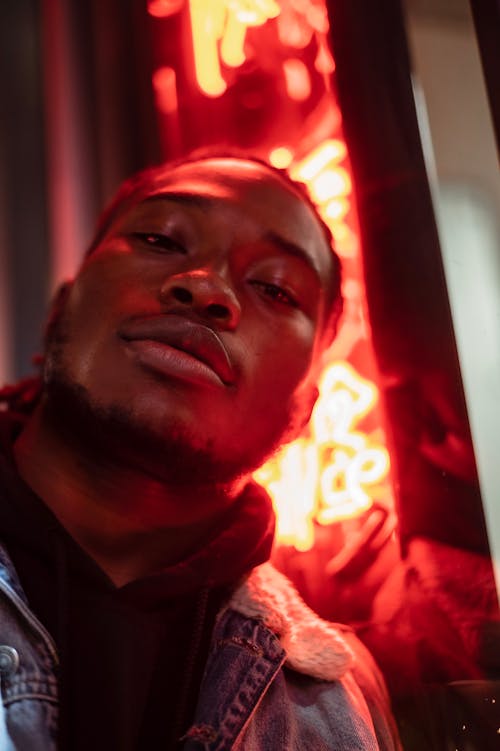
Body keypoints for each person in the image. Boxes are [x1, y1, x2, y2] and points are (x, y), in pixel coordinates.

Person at [0, 154, 401, 750]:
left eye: (274, 287)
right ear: (62, 307)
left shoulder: (337, 704)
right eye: (160, 239)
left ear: (304, 411)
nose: (207, 287)